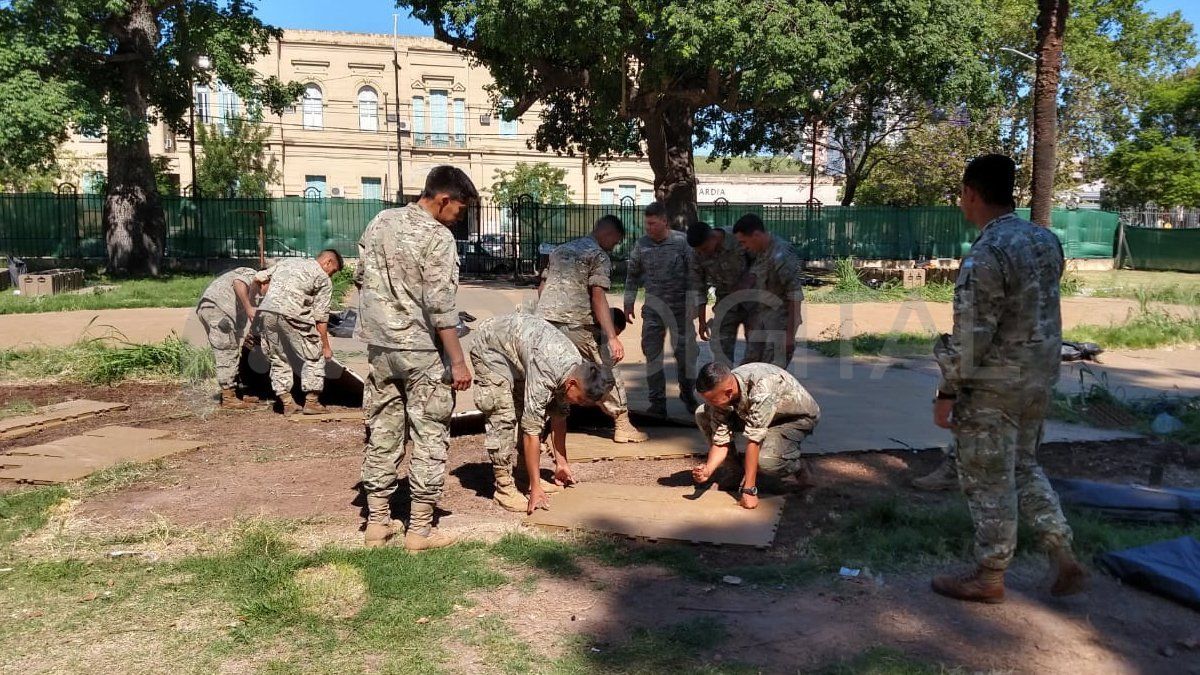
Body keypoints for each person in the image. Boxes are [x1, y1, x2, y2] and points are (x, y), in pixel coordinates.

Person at [930, 154, 1086, 603]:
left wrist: (946, 391)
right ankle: (1061, 552)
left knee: (986, 478)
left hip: (994, 386)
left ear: (972, 193)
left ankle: (989, 575)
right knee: (1023, 465)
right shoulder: (1044, 241)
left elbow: (972, 338)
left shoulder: (986, 254)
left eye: (962, 194)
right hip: (1039, 379)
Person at [357, 165, 478, 551]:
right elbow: (441, 306)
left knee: (383, 429)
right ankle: (420, 530)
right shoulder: (437, 238)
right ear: (443, 200)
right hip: (421, 351)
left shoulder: (380, 221)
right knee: (430, 433)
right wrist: (458, 361)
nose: (460, 218)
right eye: (460, 210)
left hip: (380, 348)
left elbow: (362, 278)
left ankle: (377, 522)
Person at [469, 313, 617, 514]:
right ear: (571, 384)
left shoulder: (575, 367)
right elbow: (532, 431)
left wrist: (561, 463)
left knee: (527, 408)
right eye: (580, 399)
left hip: (521, 354)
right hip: (492, 348)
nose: (579, 404)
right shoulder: (546, 373)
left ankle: (524, 476)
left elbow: (559, 416)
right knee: (503, 415)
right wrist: (537, 488)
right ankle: (504, 488)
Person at [536, 215, 647, 443]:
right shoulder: (598, 255)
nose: (614, 246)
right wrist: (612, 336)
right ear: (609, 234)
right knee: (604, 369)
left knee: (551, 370)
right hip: (577, 323)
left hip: (545, 322)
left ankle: (541, 427)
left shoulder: (560, 250)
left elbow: (543, 287)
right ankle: (622, 423)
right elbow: (598, 297)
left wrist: (549, 314)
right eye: (615, 242)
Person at [691, 362, 820, 510]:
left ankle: (798, 466)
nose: (710, 403)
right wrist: (709, 469)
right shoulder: (724, 391)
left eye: (712, 399)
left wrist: (749, 490)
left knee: (767, 462)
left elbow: (754, 441)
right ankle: (735, 470)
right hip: (757, 413)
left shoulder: (761, 390)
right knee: (702, 413)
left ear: (728, 392)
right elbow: (721, 439)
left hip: (792, 417)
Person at [624, 202, 698, 417]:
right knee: (652, 355)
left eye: (652, 224)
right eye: (646, 224)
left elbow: (694, 274)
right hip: (654, 310)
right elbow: (633, 275)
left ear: (665, 221)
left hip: (680, 310)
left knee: (686, 354)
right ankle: (657, 402)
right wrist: (629, 302)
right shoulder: (642, 245)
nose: (648, 228)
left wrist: (695, 301)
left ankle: (688, 393)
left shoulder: (681, 243)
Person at [255, 250, 342, 415]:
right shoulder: (323, 279)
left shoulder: (289, 262)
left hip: (267, 312)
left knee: (278, 356)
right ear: (328, 262)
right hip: (293, 314)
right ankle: (312, 402)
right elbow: (321, 319)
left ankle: (287, 403)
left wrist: (264, 298)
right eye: (334, 271)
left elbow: (259, 278)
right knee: (314, 354)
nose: (332, 275)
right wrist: (325, 346)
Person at [731, 214, 805, 367]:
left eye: (744, 242)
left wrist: (790, 336)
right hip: (762, 321)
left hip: (779, 326)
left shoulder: (781, 255)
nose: (744, 247)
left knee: (771, 374)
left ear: (756, 235)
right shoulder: (760, 252)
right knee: (749, 367)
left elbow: (795, 296)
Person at [195, 265, 270, 409]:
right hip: (219, 309)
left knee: (232, 347)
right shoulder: (252, 275)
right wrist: (248, 307)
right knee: (226, 349)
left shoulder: (253, 292)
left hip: (215, 309)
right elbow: (238, 283)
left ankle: (233, 391)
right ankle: (229, 397)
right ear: (265, 280)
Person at [686, 220, 754, 366]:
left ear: (712, 237)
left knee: (756, 349)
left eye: (704, 249)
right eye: (698, 250)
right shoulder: (697, 253)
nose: (701, 253)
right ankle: (725, 384)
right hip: (725, 301)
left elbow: (760, 263)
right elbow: (698, 288)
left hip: (753, 299)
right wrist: (702, 321)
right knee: (720, 349)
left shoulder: (737, 238)